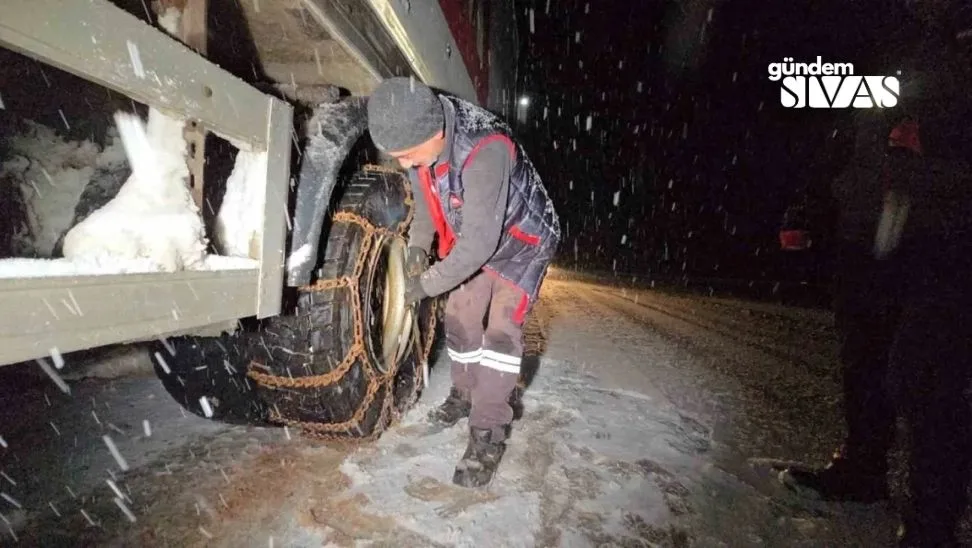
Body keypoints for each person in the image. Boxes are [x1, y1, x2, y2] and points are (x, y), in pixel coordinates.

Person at [778, 8, 972, 545]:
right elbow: (844, 127)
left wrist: (941, 134)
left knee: (927, 372)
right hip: (867, 224)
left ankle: (934, 520)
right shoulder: (887, 33)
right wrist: (807, 204)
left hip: (944, 225)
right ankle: (863, 469)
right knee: (862, 355)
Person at [366, 77, 560, 488]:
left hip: (523, 243)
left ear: (436, 133)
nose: (404, 163)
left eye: (407, 155)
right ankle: (463, 394)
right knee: (459, 318)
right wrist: (419, 248)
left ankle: (487, 435)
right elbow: (424, 200)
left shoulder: (485, 149)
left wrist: (423, 285)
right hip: (481, 235)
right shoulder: (426, 136)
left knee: (502, 337)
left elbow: (478, 246)